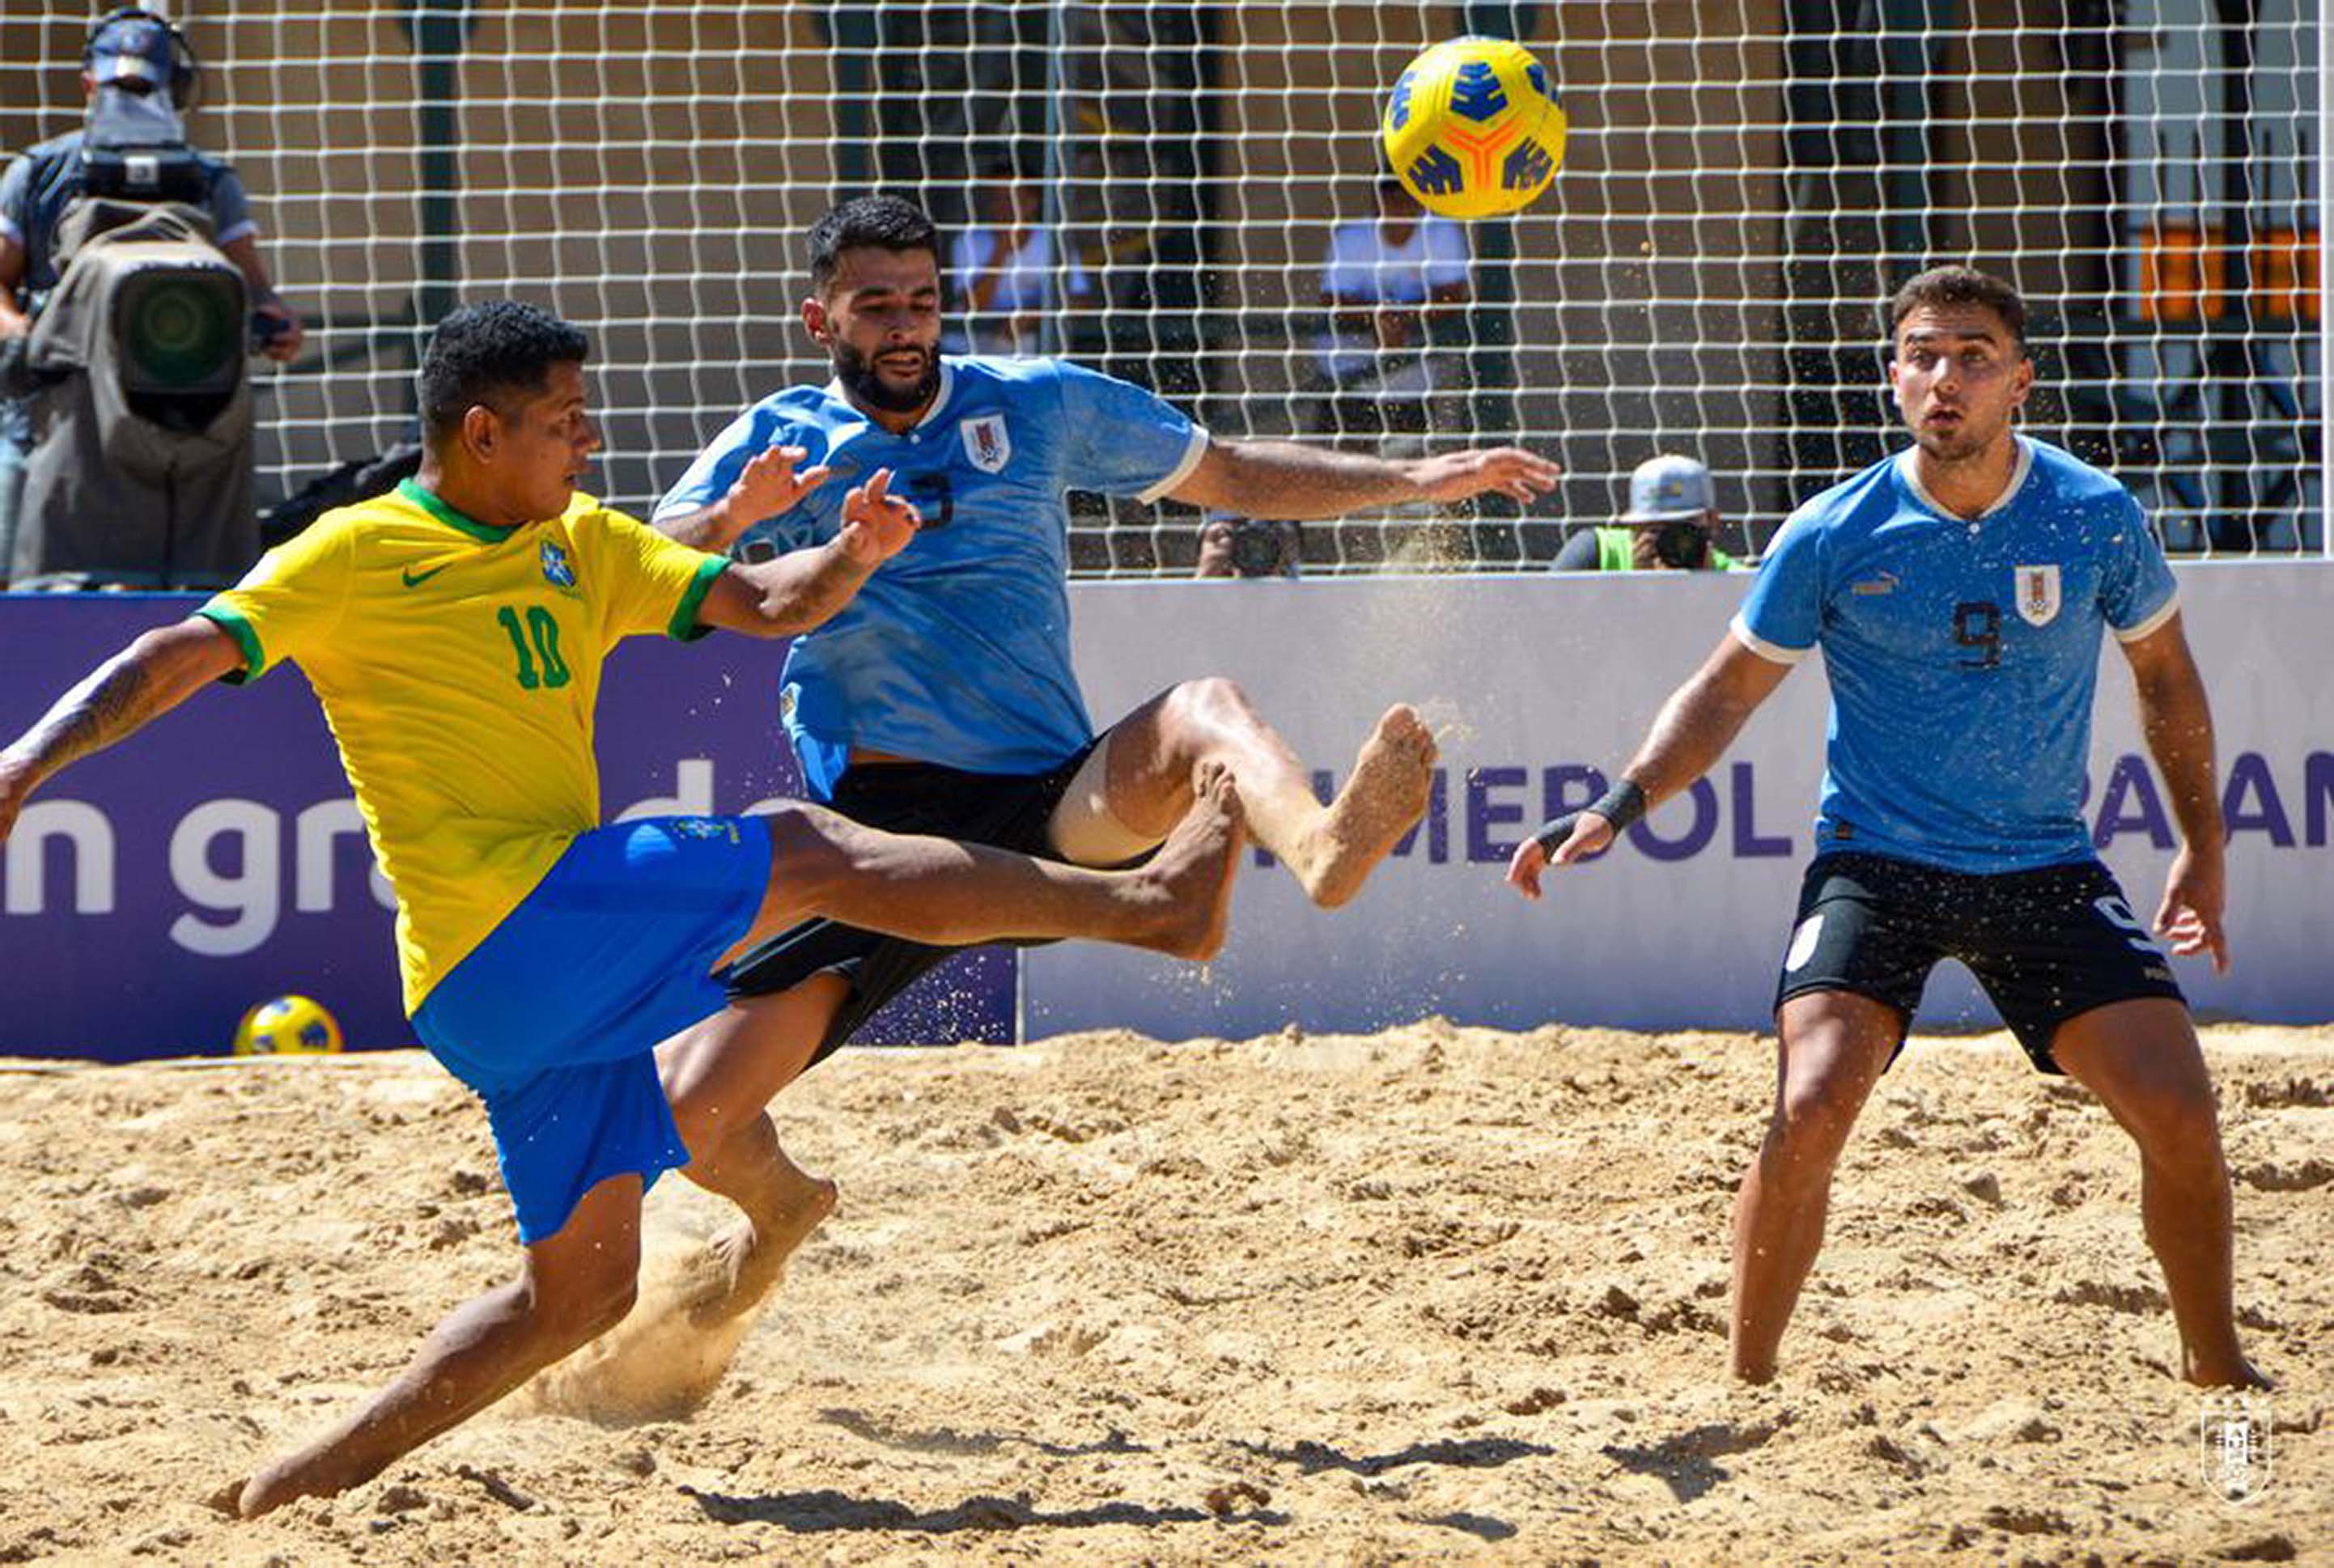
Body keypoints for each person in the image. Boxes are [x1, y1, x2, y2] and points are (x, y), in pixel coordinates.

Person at [0, 299, 1248, 1515]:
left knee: (580, 1299)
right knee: (802, 844)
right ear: (482, 434)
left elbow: (767, 605)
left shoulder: (580, 540)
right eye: (566, 420)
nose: (591, 440)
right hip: (510, 925)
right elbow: (170, 659)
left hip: (508, 995)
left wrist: (854, 555)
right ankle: (1148, 906)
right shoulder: (353, 552)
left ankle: (295, 1487)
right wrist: (23, 766)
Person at [1506, 265, 2263, 1390]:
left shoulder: (2094, 515)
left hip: (2042, 865)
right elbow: (1722, 692)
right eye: (1921, 354)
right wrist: (1621, 804)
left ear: (2022, 382)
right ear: (1893, 377)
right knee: (1809, 1102)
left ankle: (2217, 1374)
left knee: (2183, 1110)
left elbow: (2168, 683)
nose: (1943, 377)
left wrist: (2204, 847)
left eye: (1971, 354)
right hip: (1877, 864)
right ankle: (1750, 1383)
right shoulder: (1836, 530)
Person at [652, 191, 1554, 1107]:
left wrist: (1413, 478)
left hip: (1051, 812)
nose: (904, 327)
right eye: (875, 306)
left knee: (1202, 707)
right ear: (820, 320)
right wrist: (732, 517)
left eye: (921, 302)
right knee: (691, 1111)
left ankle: (1322, 844)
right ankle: (775, 1222)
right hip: (880, 838)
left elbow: (1230, 471)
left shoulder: (1036, 403)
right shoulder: (783, 438)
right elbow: (643, 564)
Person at [0, 8, 301, 579]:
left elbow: (261, 295)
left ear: (177, 89)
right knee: (19, 576)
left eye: (146, 86)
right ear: (88, 82)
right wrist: (23, 337)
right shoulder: (39, 172)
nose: (131, 98)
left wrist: (275, 325)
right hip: (50, 421)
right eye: (120, 86)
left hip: (181, 425)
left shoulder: (210, 182)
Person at [1311, 173, 1471, 446]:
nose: (1400, 206)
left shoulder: (1441, 233)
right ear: (1377, 198)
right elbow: (1332, 302)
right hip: (1347, 379)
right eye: (1391, 195)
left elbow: (1453, 299)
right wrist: (1378, 319)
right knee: (1343, 472)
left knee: (1412, 475)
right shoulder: (1352, 239)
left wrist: (1401, 319)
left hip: (1413, 382)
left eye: (1408, 196)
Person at [948, 169, 1088, 355]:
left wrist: (1033, 316)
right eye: (994, 198)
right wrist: (1002, 249)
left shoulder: (1055, 242)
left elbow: (1081, 302)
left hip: (1030, 351)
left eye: (1009, 197)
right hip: (969, 348)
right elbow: (973, 306)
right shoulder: (967, 242)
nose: (1001, 206)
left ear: (1032, 202)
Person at [1551, 453, 1741, 572]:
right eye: (1653, 528)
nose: (1669, 541)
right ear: (1634, 527)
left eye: (1682, 527)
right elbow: (1541, 622)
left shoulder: (1736, 582)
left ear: (1712, 523)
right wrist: (1638, 586)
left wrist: (1707, 590)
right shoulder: (1598, 553)